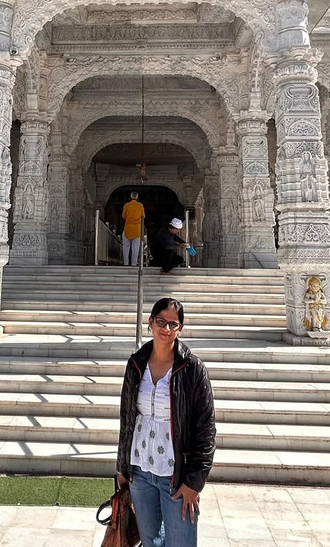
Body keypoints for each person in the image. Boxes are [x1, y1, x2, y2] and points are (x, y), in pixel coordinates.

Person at [116, 297, 215, 547]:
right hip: (140, 469)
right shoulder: (136, 364)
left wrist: (194, 483)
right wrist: (122, 467)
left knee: (181, 542)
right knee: (150, 541)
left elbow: (206, 429)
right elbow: (126, 418)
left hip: (177, 474)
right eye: (161, 321)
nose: (167, 329)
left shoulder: (193, 369)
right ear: (150, 322)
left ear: (180, 329)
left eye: (173, 324)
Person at [122, 192, 146, 267]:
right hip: (137, 230)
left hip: (127, 228)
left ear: (130, 197)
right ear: (137, 197)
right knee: (135, 248)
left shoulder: (126, 205)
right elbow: (143, 216)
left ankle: (126, 263)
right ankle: (134, 264)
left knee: (126, 247)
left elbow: (123, 216)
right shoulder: (140, 205)